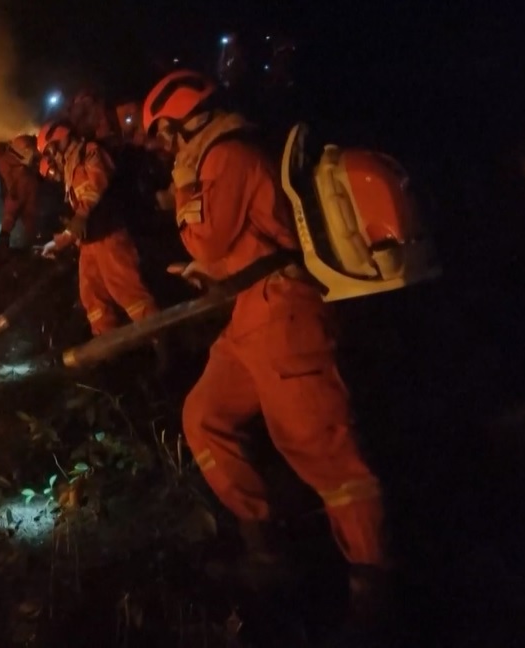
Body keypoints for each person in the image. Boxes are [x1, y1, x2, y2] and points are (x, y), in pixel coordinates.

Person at [141, 69, 389, 635]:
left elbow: (208, 235)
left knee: (322, 451)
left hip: (285, 315)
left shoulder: (227, 156)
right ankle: (266, 550)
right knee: (204, 417)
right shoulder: (216, 157)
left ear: (189, 122)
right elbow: (230, 248)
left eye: (165, 132)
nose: (162, 146)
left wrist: (182, 193)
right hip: (251, 314)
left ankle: (373, 592)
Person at [36, 119, 160, 337]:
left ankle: (162, 341)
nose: (52, 156)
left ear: (59, 140)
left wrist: (79, 218)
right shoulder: (71, 166)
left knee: (128, 291)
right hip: (90, 242)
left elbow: (95, 187)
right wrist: (57, 242)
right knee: (92, 296)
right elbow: (79, 219)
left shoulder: (90, 152)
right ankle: (107, 346)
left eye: (50, 150)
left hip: (109, 234)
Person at [0, 134, 42, 250]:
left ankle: (4, 244)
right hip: (27, 183)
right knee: (28, 215)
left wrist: (11, 190)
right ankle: (32, 245)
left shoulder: (2, 160)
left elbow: (7, 176)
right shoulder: (11, 155)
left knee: (11, 214)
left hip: (19, 185)